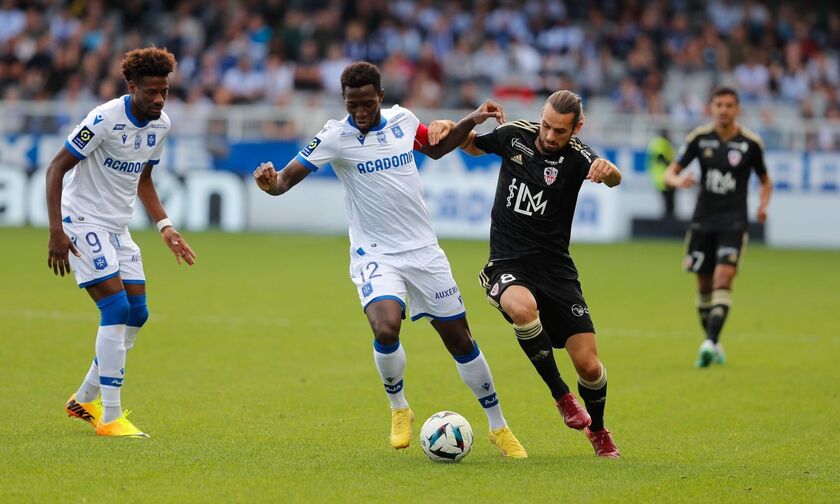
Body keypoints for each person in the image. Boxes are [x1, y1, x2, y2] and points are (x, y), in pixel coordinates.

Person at [252, 61, 527, 458]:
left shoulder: (402, 121)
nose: (360, 112)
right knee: (385, 328)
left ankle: (498, 426)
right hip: (375, 253)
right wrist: (268, 183)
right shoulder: (334, 135)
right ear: (343, 101)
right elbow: (284, 180)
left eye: (366, 103)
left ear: (380, 97)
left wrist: (475, 117)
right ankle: (400, 408)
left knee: (460, 340)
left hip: (424, 252)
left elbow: (436, 147)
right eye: (352, 105)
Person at [429, 90, 622, 458]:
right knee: (523, 308)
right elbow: (469, 144)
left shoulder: (580, 157)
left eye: (560, 131)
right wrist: (449, 126)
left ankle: (598, 429)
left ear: (577, 127)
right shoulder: (514, 135)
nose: (550, 136)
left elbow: (612, 179)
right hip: (506, 263)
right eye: (547, 125)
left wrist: (610, 170)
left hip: (556, 270)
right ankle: (562, 396)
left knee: (590, 366)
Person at [46, 47, 196, 438]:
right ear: (132, 87)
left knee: (138, 313)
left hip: (117, 226)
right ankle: (110, 418)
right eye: (151, 91)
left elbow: (144, 178)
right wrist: (56, 231)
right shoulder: (103, 119)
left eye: (164, 90)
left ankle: (83, 398)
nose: (159, 98)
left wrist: (164, 225)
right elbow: (56, 167)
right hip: (81, 221)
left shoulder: (160, 124)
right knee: (114, 308)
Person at [664, 87, 772, 367]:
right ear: (711, 108)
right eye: (719, 105)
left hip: (733, 223)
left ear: (737, 109)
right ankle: (713, 341)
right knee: (704, 286)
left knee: (724, 279)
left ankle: (709, 342)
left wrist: (762, 205)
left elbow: (765, 179)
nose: (723, 110)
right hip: (702, 221)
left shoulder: (750, 143)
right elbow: (670, 172)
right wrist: (678, 182)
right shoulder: (699, 139)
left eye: (729, 105)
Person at [646, 129, 676, 220]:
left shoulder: (655, 144)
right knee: (669, 201)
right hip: (665, 176)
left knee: (667, 201)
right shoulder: (662, 143)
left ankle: (668, 219)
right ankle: (669, 221)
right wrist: (671, 166)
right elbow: (661, 157)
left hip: (660, 177)